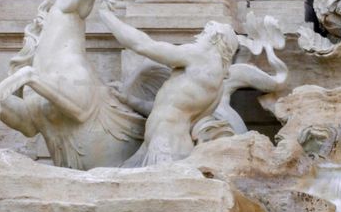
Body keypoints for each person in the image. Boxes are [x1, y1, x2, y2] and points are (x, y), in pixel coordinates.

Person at [97, 10, 288, 167]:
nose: (198, 38)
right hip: (166, 145)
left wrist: (105, 14)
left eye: (204, 33)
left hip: (165, 147)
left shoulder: (200, 57)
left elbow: (142, 44)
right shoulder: (216, 82)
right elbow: (168, 109)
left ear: (216, 39)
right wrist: (129, 100)